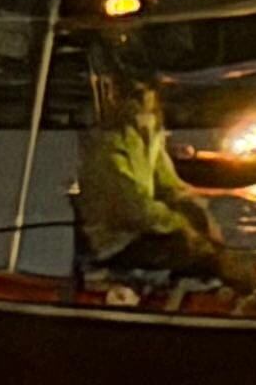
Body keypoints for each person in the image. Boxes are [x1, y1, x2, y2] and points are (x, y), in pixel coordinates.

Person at [76, 77, 242, 292]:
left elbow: (169, 185)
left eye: (147, 92)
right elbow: (133, 209)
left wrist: (199, 214)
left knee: (213, 244)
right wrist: (182, 226)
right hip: (116, 242)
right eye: (136, 95)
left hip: (145, 230)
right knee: (193, 251)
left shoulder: (148, 133)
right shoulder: (107, 146)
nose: (144, 100)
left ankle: (236, 290)